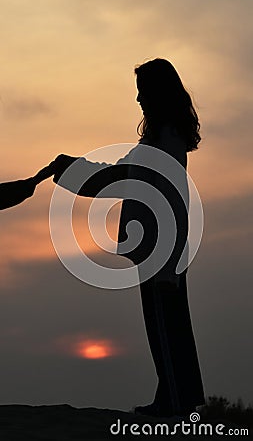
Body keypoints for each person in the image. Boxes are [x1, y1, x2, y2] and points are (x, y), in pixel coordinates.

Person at [52, 58, 205, 417]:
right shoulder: (160, 142)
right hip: (160, 251)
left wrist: (167, 263)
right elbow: (118, 177)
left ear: (156, 94)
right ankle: (176, 397)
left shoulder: (162, 145)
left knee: (165, 329)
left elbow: (138, 189)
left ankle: (173, 404)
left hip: (161, 252)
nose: (138, 99)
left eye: (142, 92)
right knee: (170, 327)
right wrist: (72, 169)